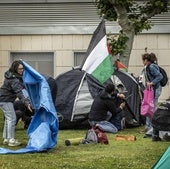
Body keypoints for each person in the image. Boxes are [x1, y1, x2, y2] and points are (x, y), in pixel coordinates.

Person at [0, 60, 32, 146]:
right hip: (5, 100)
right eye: (20, 69)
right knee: (12, 118)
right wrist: (27, 103)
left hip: (3, 99)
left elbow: (21, 86)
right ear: (15, 69)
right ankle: (11, 140)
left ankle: (6, 139)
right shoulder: (14, 79)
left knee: (8, 118)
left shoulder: (12, 76)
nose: (22, 70)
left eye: (22, 68)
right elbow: (19, 93)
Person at [141, 53, 163, 141]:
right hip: (152, 90)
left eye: (143, 60)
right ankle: (148, 126)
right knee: (149, 107)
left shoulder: (151, 67)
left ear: (146, 60)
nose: (142, 62)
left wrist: (152, 83)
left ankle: (152, 127)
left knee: (152, 108)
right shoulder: (148, 67)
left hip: (155, 89)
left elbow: (160, 76)